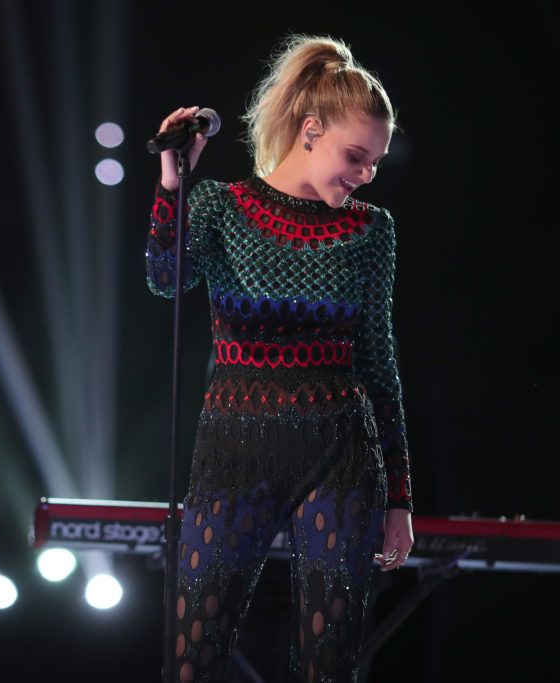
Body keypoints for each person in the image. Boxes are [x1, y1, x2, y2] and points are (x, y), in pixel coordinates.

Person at [145, 34, 414, 682]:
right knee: (192, 656)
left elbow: (379, 357)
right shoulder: (220, 207)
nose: (366, 174)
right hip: (233, 450)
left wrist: (400, 494)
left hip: (342, 453)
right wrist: (172, 182)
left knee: (330, 666)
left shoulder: (370, 230)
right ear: (312, 130)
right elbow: (164, 276)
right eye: (357, 155)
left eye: (375, 162)